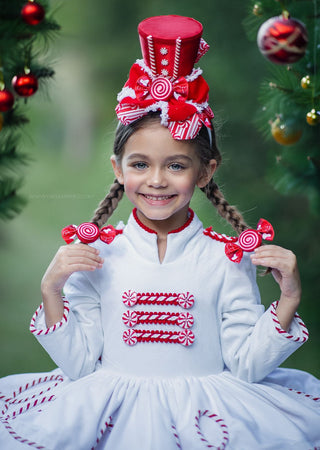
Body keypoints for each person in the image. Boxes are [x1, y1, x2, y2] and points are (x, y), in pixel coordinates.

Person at [0, 15, 319, 450]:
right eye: (139, 164)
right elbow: (78, 366)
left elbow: (246, 366)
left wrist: (288, 301)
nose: (156, 180)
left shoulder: (226, 259)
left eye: (175, 165)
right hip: (111, 413)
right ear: (118, 168)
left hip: (208, 416)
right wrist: (52, 291)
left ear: (206, 171)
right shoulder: (97, 255)